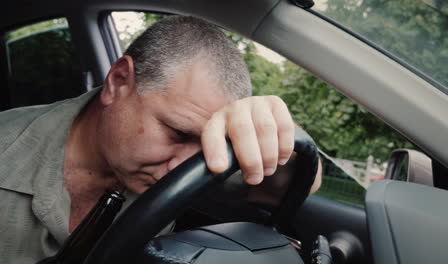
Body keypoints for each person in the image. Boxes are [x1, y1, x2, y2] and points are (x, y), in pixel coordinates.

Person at [0, 16, 321, 263]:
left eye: (203, 146)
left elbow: (300, 182)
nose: (182, 168)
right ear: (118, 81)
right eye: (178, 133)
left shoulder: (194, 160)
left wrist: (279, 131)